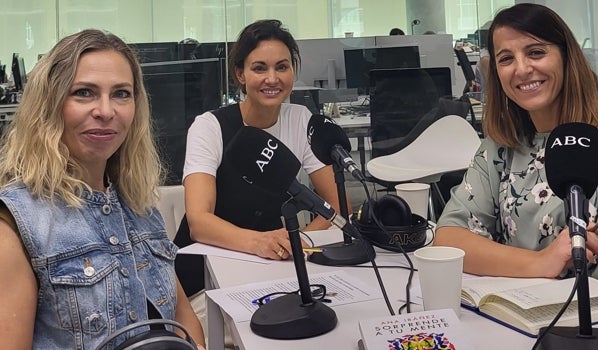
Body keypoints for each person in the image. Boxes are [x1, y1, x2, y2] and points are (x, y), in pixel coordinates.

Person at [0, 29, 205, 349]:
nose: (106, 111)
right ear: (49, 104)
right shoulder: (16, 223)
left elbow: (180, 315)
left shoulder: (138, 203)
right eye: (84, 92)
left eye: (121, 93)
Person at [433, 3, 598, 289]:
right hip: (515, 315)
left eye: (536, 52)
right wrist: (542, 262)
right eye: (506, 59)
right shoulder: (502, 145)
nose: (522, 69)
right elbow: (448, 238)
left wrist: (503, 261)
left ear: (566, 57)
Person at [175, 19, 344, 296]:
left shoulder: (301, 120)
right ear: (240, 74)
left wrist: (298, 240)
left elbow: (336, 206)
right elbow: (199, 222)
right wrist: (260, 243)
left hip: (271, 269)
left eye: (282, 66)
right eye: (259, 68)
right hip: (203, 275)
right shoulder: (209, 126)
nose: (272, 79)